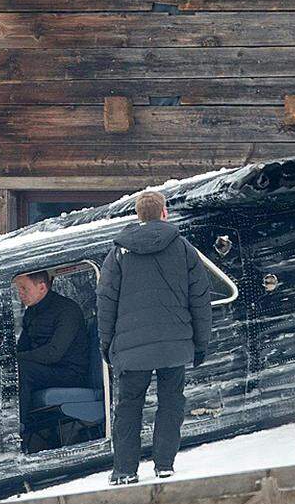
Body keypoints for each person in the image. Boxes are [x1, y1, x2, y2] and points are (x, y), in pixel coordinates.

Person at [98, 190, 212, 485]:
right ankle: (164, 465)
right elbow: (200, 298)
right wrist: (200, 343)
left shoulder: (119, 253)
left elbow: (105, 301)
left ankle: (124, 470)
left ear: (138, 215)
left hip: (131, 348)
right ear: (164, 213)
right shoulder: (184, 249)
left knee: (129, 406)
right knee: (171, 402)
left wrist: (107, 345)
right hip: (175, 344)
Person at [12, 270, 91, 450]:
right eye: (19, 289)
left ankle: (18, 432)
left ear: (42, 287)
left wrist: (18, 359)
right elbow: (23, 348)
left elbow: (53, 353)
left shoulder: (67, 310)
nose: (21, 294)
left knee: (21, 370)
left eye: (24, 288)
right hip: (46, 372)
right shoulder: (31, 313)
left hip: (69, 373)